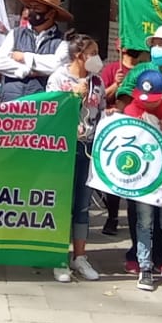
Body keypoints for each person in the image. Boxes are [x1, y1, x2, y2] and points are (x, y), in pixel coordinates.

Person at [117, 25, 162, 273]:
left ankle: (161, 257)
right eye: (154, 44)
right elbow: (123, 96)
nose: (157, 49)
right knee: (140, 208)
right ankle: (137, 254)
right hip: (140, 149)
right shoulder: (141, 70)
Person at [46, 33, 104, 283]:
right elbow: (51, 110)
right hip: (63, 148)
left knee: (82, 204)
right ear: (79, 55)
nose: (97, 59)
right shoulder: (58, 78)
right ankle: (58, 257)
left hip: (87, 148)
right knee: (62, 203)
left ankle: (80, 256)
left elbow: (100, 112)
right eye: (93, 54)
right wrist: (73, 96)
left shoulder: (98, 82)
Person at [125, 70, 162, 296]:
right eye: (144, 100)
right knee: (144, 222)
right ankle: (145, 266)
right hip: (143, 179)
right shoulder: (132, 110)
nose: (148, 105)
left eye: (153, 101)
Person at [98, 45, 146, 235]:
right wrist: (116, 85)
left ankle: (137, 220)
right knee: (115, 173)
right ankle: (112, 217)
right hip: (117, 128)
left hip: (141, 128)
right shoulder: (111, 70)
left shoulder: (146, 69)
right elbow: (102, 98)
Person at [0, 0, 70, 102]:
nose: (31, 11)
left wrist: (25, 57)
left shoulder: (62, 42)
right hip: (9, 105)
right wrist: (27, 70)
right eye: (30, 7)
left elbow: (56, 65)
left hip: (39, 109)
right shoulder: (15, 34)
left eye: (37, 8)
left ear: (51, 13)